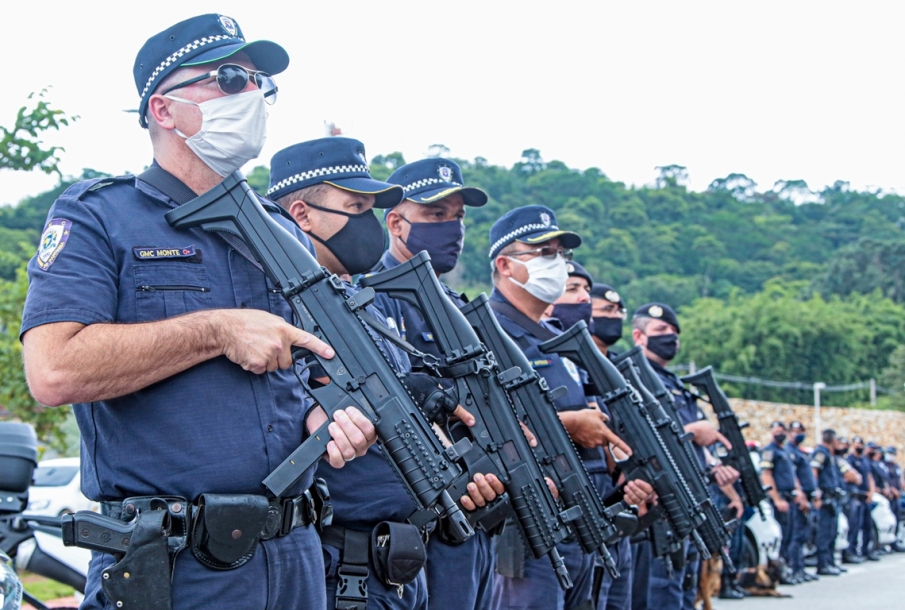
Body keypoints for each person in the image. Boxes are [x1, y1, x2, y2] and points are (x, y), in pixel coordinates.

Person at [19, 15, 376, 610]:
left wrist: (333, 416)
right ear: (164, 109)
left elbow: (320, 366)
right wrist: (216, 329)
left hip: (294, 555)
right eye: (231, 78)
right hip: (173, 565)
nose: (253, 95)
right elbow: (53, 370)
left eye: (262, 83)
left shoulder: (282, 231)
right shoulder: (98, 216)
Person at [266, 141, 502, 609]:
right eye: (357, 207)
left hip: (399, 557)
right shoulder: (274, 304)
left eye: (372, 209)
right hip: (343, 557)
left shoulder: (361, 302)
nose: (368, 225)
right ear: (301, 214)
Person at [487, 205, 641, 610]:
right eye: (544, 254)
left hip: (583, 514)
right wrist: (568, 424)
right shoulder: (486, 333)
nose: (558, 264)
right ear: (506, 264)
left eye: (560, 254)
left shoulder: (559, 338)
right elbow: (483, 428)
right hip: (531, 526)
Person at [371, 157, 504, 610]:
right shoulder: (374, 295)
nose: (452, 228)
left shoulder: (456, 307)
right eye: (435, 215)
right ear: (396, 222)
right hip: (425, 519)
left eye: (458, 217)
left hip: (479, 516)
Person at [547, 263, 651, 610]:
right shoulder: (535, 348)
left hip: (604, 507)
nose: (583, 300)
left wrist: (627, 478)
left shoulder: (588, 364)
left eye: (586, 293)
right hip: (553, 518)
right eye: (572, 289)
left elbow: (609, 438)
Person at [631, 303, 740, 609]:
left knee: (682, 592)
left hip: (690, 500)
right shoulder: (633, 377)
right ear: (639, 336)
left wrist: (716, 468)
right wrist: (691, 430)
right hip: (661, 503)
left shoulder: (675, 384)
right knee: (659, 593)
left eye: (674, 332)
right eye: (661, 331)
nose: (671, 337)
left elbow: (693, 448)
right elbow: (640, 433)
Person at [759, 421, 807, 584]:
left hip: (790, 498)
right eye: (777, 431)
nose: (780, 433)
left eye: (782, 430)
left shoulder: (785, 451)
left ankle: (787, 570)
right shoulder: (769, 451)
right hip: (779, 499)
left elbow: (792, 476)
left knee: (790, 536)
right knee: (781, 536)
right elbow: (766, 475)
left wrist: (799, 492)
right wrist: (777, 499)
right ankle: (779, 573)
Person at [787, 420, 820, 582]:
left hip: (808, 497)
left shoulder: (799, 452)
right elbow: (793, 477)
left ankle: (800, 568)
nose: (797, 433)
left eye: (800, 430)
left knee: (803, 536)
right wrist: (801, 495)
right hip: (799, 499)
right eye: (794, 430)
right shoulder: (789, 451)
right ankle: (795, 569)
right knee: (796, 536)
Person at [811, 429, 843, 575]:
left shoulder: (830, 455)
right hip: (824, 498)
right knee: (824, 532)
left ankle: (830, 561)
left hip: (832, 498)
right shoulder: (821, 453)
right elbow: (814, 471)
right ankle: (823, 564)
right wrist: (816, 494)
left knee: (832, 531)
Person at [845, 436, 878, 561]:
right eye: (856, 444)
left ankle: (866, 550)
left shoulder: (864, 460)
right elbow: (848, 477)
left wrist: (871, 492)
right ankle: (851, 551)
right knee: (855, 525)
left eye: (861, 444)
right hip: (855, 496)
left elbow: (869, 477)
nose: (859, 447)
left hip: (865, 497)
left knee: (867, 524)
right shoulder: (849, 460)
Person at [885, 446, 904, 552]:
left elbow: (900, 480)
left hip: (897, 497)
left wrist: (899, 490)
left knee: (896, 520)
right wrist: (892, 490)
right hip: (889, 497)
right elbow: (885, 481)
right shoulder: (883, 465)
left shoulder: (896, 466)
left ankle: (894, 543)